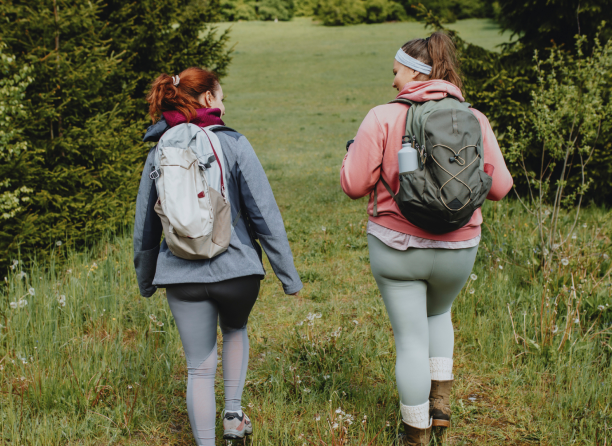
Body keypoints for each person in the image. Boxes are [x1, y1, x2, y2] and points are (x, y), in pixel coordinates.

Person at [340, 32, 513, 445]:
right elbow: (501, 187)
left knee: (411, 338)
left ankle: (415, 434)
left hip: (397, 248)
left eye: (396, 71)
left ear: (415, 72)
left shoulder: (381, 117)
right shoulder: (474, 117)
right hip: (459, 247)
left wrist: (351, 153)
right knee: (439, 316)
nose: (393, 81)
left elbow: (353, 184)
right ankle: (441, 407)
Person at [133, 67, 302, 445]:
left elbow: (145, 225)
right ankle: (232, 415)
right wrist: (287, 276)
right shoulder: (234, 142)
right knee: (235, 329)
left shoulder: (159, 150)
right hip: (237, 272)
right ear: (208, 98)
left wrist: (147, 279)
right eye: (222, 98)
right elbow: (264, 213)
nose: (223, 106)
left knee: (198, 369)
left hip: (180, 274)